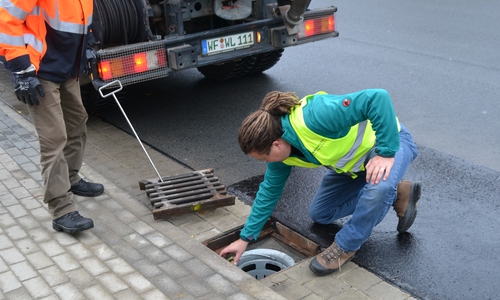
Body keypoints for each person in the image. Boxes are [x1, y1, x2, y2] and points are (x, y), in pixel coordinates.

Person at [219, 89, 421, 276]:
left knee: (379, 189)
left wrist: (386, 153)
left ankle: (345, 247)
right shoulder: (282, 155)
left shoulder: (315, 116)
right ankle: (397, 193)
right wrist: (245, 238)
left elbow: (376, 98)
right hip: (354, 168)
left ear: (276, 144)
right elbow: (268, 193)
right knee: (321, 213)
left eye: (263, 158)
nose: (265, 163)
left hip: (387, 145)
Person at [0, 0, 103, 234]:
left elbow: (82, 20)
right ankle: (61, 208)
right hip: (38, 72)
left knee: (77, 122)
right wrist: (20, 69)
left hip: (67, 68)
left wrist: (86, 46)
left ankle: (72, 178)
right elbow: (4, 19)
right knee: (54, 140)